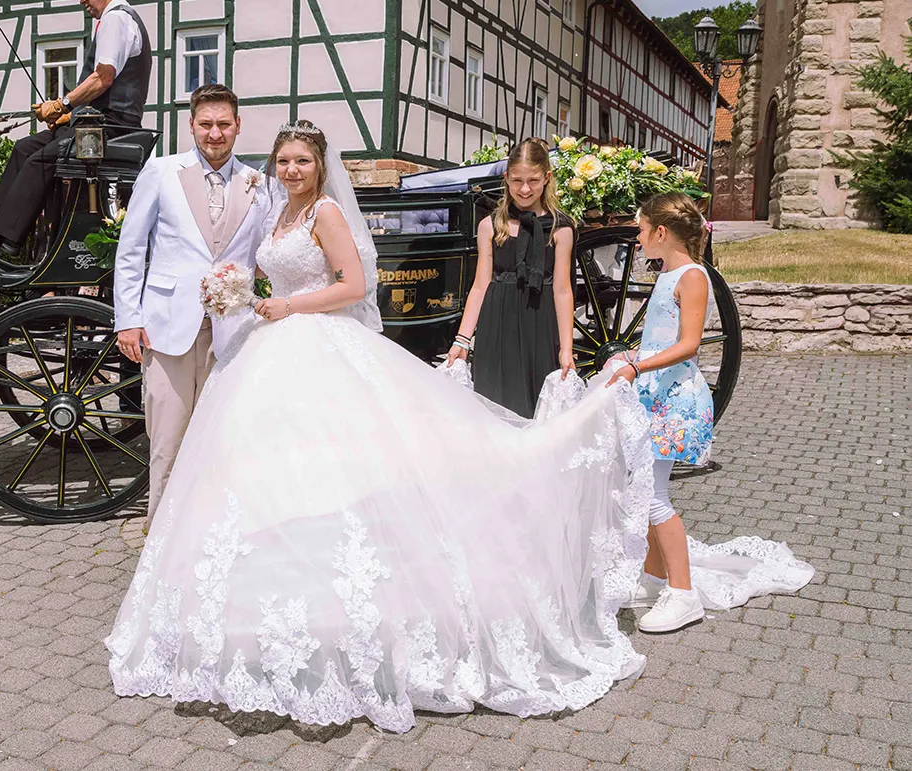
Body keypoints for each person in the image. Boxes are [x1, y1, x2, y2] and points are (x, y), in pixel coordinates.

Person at [105, 123, 815, 731]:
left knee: (346, 464)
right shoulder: (278, 214)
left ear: (320, 166)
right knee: (270, 472)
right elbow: (279, 272)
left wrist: (287, 309)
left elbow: (354, 286)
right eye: (283, 160)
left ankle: (659, 571)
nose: (291, 169)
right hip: (271, 354)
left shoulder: (323, 211)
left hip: (315, 343)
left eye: (302, 160)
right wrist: (245, 290)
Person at [607, 193, 814, 633]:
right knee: (644, 489)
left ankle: (683, 595)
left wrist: (636, 366)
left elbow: (688, 346)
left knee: (655, 497)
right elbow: (661, 337)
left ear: (661, 233)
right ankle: (654, 576)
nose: (638, 238)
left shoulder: (693, 277)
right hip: (654, 395)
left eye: (641, 230)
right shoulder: (668, 273)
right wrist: (633, 353)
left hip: (675, 400)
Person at [112, 84, 276, 534]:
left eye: (224, 124)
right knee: (167, 435)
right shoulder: (162, 171)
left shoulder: (258, 183)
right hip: (168, 326)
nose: (215, 133)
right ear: (191, 125)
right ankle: (160, 532)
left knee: (221, 436)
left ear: (238, 126)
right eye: (206, 124)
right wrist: (128, 319)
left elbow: (268, 252)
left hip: (233, 329)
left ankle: (210, 532)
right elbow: (131, 249)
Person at [0, 0, 153, 265]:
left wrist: (60, 105)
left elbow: (103, 77)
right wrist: (65, 117)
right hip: (97, 123)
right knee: (24, 148)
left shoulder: (115, 18)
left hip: (113, 126)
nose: (82, 1)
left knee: (41, 160)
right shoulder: (115, 19)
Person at [446, 138, 575, 417]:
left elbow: (563, 290)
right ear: (506, 179)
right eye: (517, 180)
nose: (525, 189)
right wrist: (462, 339)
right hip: (497, 325)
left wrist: (567, 349)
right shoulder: (490, 226)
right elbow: (480, 286)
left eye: (533, 180)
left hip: (540, 324)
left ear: (547, 178)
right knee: (494, 405)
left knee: (537, 409)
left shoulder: (561, 230)